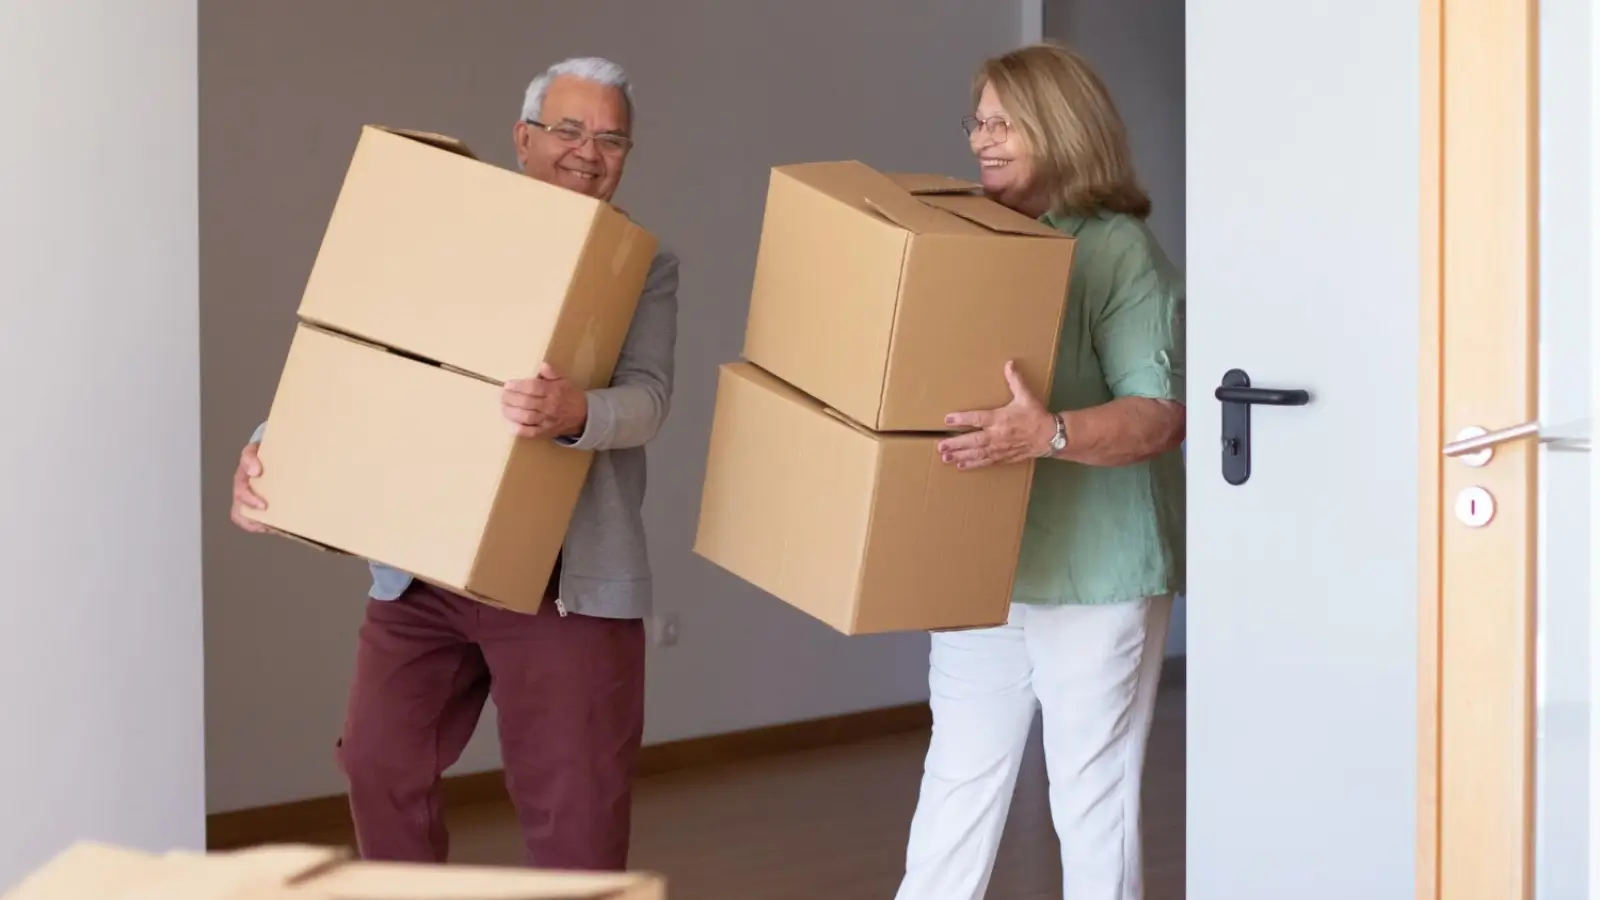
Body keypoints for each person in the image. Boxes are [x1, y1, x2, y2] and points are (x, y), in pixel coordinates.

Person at [229, 56, 679, 870]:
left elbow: (648, 398)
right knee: (377, 762)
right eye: (570, 129)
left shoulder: (639, 264)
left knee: (574, 809)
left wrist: (577, 411)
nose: (590, 151)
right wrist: (271, 448)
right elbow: (362, 349)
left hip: (563, 586)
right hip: (423, 572)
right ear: (523, 138)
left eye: (613, 139)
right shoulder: (442, 233)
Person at [895, 42, 1186, 900]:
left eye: (1003, 122)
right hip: (987, 569)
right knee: (956, 782)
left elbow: (1159, 416)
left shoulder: (1118, 251)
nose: (981, 140)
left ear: (1059, 128)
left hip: (1096, 576)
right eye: (975, 121)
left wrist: (1047, 433)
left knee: (1089, 799)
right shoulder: (971, 243)